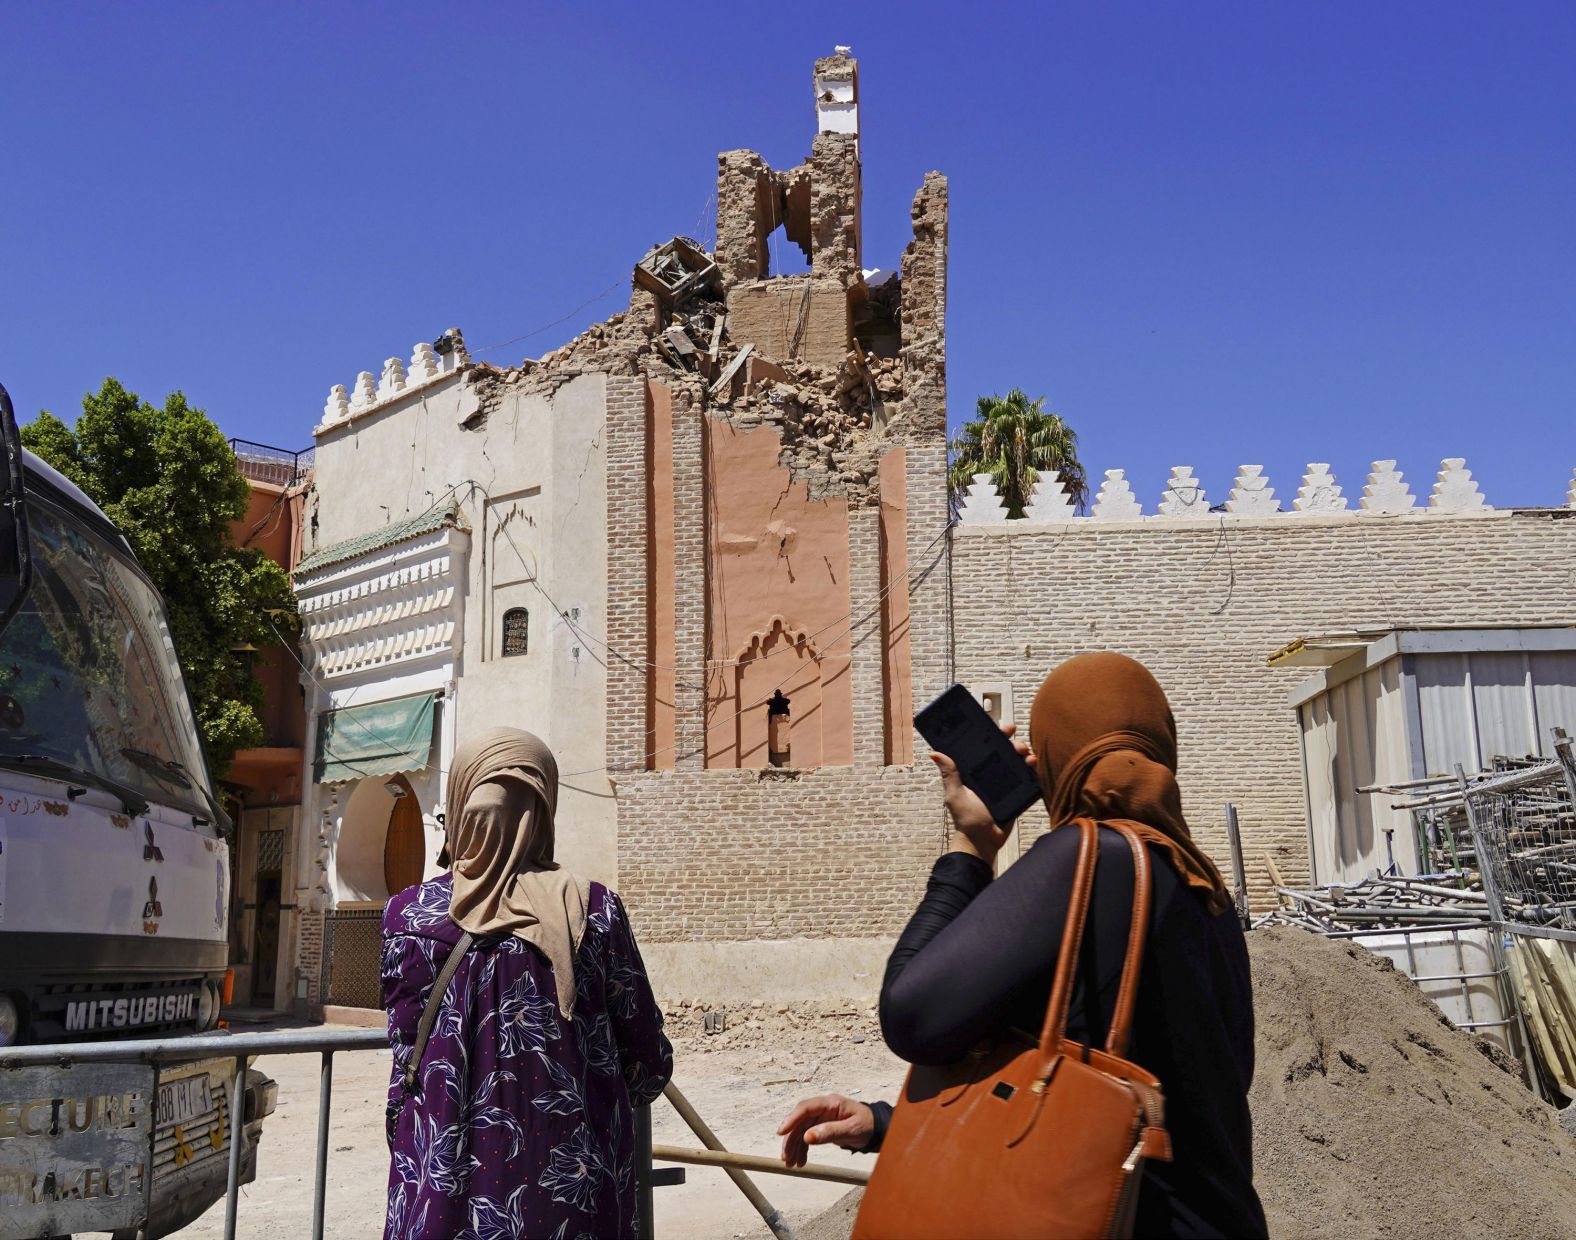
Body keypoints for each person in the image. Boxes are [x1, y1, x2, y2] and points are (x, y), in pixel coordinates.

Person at [863, 653, 1266, 1238]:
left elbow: (911, 1014)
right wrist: (885, 1125)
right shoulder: (1202, 887)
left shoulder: (1087, 857)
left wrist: (971, 846)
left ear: (1056, 760)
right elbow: (1142, 1077)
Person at [380, 728, 672, 1240]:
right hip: (575, 1200)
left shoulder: (408, 916)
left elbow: (406, 1050)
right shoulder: (594, 911)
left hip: (443, 1193)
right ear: (544, 806)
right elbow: (649, 1062)